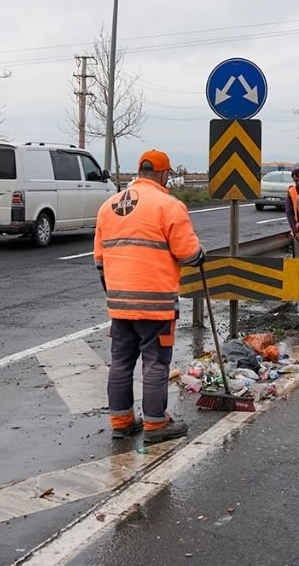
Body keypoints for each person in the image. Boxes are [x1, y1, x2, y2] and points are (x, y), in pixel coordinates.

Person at [94, 150, 204, 444]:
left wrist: (115, 294)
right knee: (155, 363)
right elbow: (188, 253)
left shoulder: (109, 206)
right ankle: (156, 425)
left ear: (139, 171)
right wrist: (199, 254)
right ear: (164, 174)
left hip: (119, 303)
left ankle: (121, 421)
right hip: (155, 303)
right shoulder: (168, 205)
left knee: (120, 362)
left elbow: (99, 260)